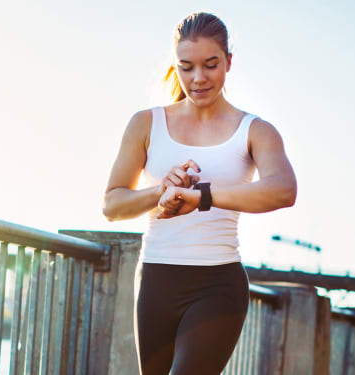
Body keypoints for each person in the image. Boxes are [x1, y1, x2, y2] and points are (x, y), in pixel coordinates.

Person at [101, 12, 298, 375]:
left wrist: (202, 196)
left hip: (217, 284)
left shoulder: (254, 130)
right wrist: (162, 191)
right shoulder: (147, 124)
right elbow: (112, 204)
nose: (198, 78)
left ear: (229, 62)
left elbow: (283, 190)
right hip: (157, 280)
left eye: (210, 65)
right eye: (186, 67)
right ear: (175, 65)